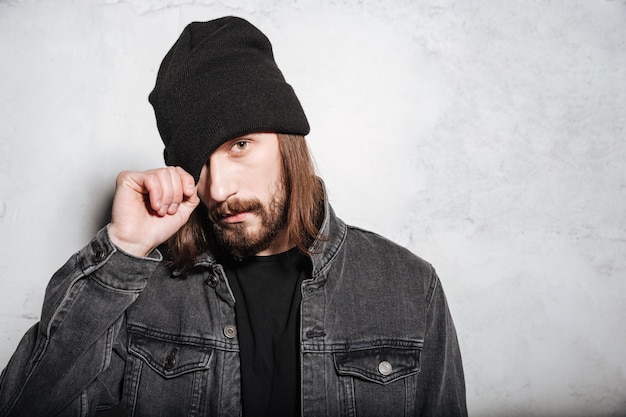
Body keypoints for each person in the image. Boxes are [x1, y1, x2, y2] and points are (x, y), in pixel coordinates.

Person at [0, 16, 466, 417]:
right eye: (199, 164)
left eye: (239, 146)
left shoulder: (407, 287)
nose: (218, 189)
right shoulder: (142, 292)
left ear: (288, 142)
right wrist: (122, 249)